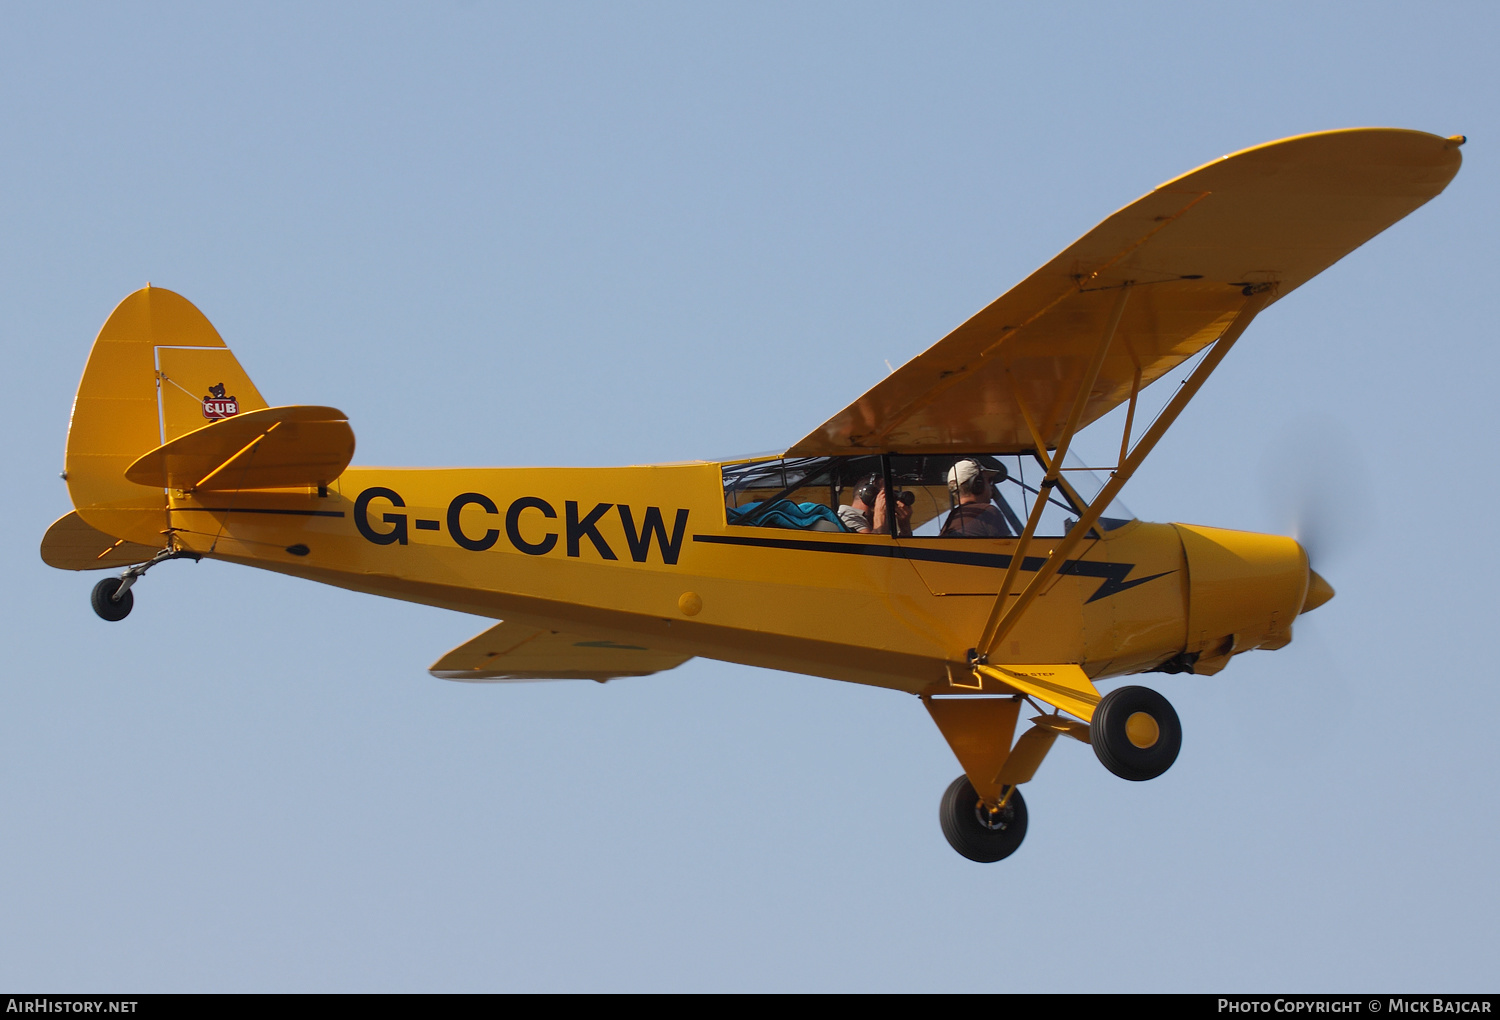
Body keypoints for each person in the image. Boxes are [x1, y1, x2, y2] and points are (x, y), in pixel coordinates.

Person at [940, 459, 1011, 538]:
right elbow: (1011, 546)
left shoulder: (952, 518)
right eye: (989, 481)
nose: (991, 487)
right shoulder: (988, 512)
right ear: (978, 484)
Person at [839, 472, 912, 536]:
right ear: (869, 494)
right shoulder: (847, 516)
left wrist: (904, 526)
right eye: (885, 494)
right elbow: (871, 548)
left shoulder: (879, 520)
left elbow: (900, 550)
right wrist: (880, 514)